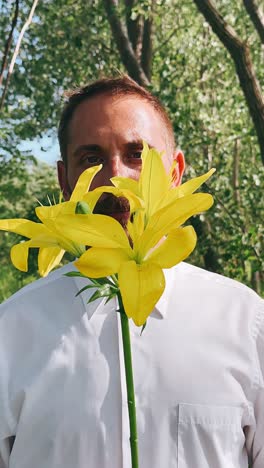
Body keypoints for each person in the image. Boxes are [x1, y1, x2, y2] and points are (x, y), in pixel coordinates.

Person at [0, 75, 263, 468]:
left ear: (175, 173)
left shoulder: (247, 321)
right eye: (91, 158)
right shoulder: (11, 329)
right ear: (65, 180)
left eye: (136, 154)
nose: (116, 177)